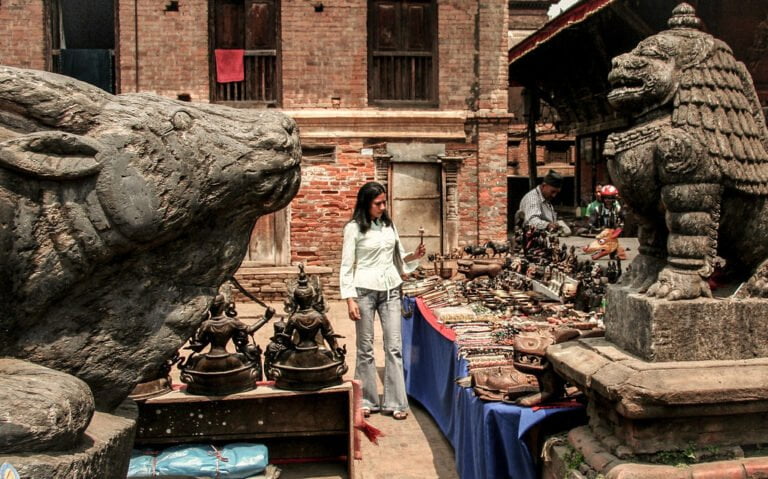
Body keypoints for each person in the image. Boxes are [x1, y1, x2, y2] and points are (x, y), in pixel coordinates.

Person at [340, 182, 426, 420]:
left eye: (384, 202)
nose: (383, 206)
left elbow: (398, 258)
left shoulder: (389, 226)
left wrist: (414, 256)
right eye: (378, 203)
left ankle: (396, 402)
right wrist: (350, 299)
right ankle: (367, 400)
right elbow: (346, 265)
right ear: (366, 203)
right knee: (365, 349)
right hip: (364, 291)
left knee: (394, 347)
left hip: (391, 290)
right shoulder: (354, 228)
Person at [518, 169, 571, 236]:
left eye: (557, 193)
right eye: (552, 192)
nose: (554, 195)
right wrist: (548, 225)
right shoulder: (533, 198)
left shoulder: (545, 198)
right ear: (543, 186)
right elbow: (531, 221)